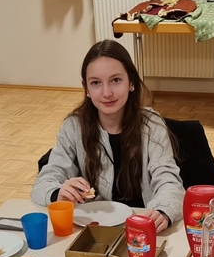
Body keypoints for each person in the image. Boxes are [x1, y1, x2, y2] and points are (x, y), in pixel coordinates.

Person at [30, 39, 183, 233]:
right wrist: (58, 193)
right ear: (86, 88)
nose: (107, 93)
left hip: (143, 229)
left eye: (115, 80)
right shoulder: (73, 127)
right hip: (92, 230)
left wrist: (163, 210)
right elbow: (43, 183)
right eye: (95, 83)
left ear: (131, 82)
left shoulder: (151, 125)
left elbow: (169, 181)